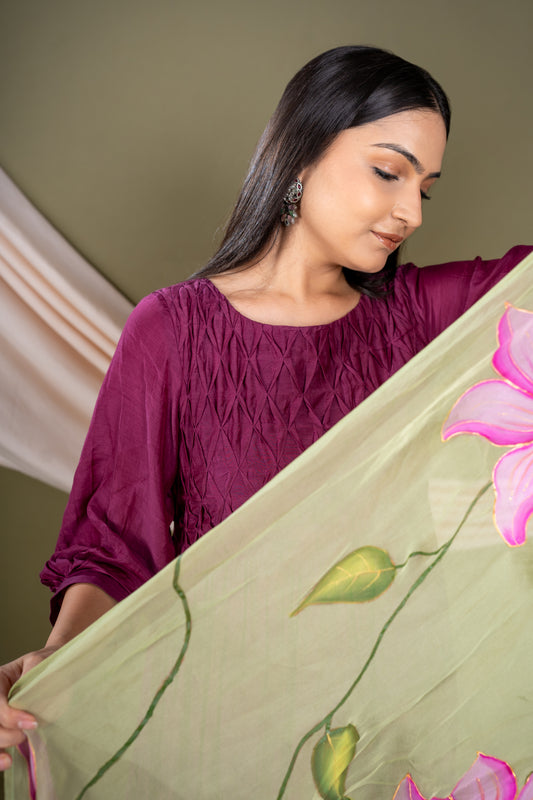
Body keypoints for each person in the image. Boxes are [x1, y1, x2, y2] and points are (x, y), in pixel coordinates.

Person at [0, 44, 530, 773]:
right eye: (387, 171)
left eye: (425, 189)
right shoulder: (173, 330)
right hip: (232, 715)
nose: (409, 211)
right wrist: (58, 669)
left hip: (392, 713)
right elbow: (114, 544)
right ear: (301, 155)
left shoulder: (420, 317)